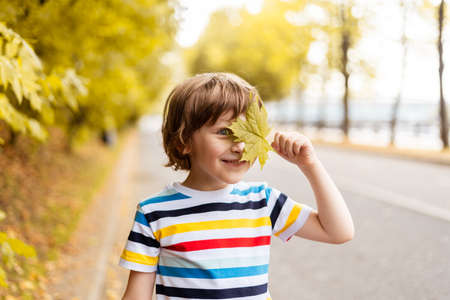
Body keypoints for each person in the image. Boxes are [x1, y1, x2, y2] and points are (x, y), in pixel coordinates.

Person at [119, 72, 354, 300]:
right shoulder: (153, 214)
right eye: (224, 132)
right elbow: (136, 295)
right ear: (183, 142)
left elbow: (338, 231)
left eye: (249, 132)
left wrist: (310, 164)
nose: (240, 146)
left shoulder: (263, 201)